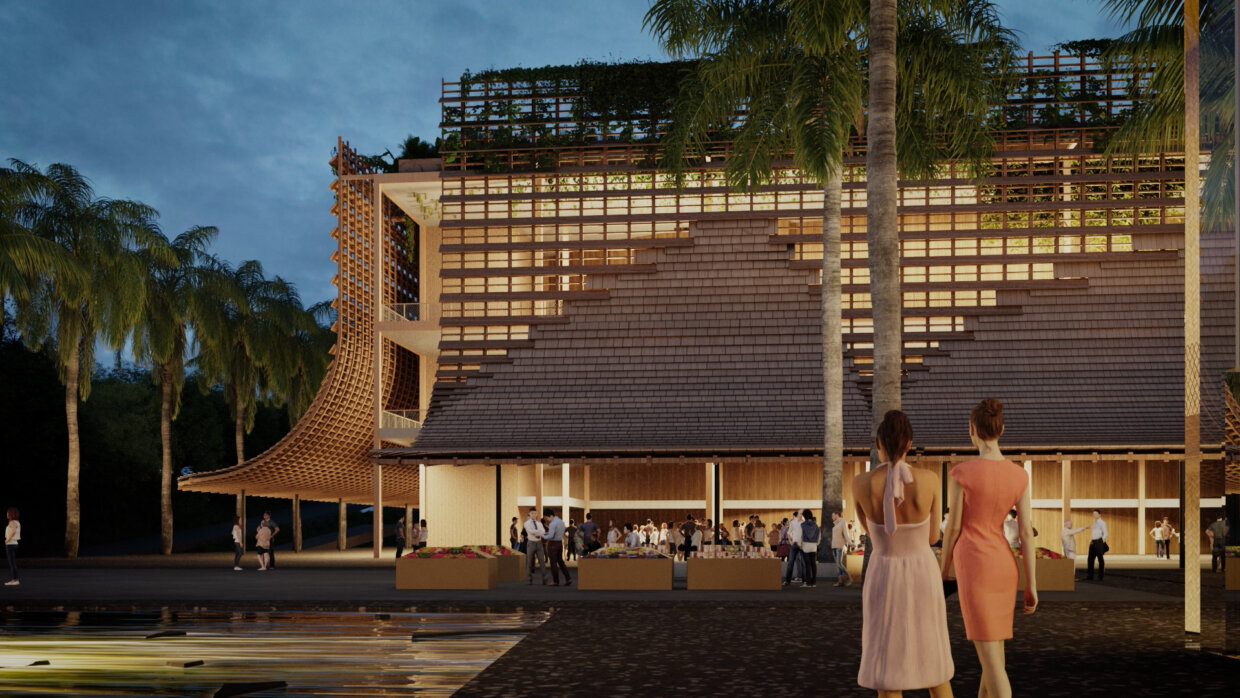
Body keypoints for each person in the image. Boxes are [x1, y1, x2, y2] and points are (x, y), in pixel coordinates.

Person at [940, 398, 1036, 698]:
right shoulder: (1020, 475)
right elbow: (1026, 533)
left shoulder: (961, 473)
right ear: (1001, 430)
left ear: (972, 430)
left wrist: (943, 569)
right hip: (1005, 566)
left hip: (974, 564)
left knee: (993, 666)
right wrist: (1031, 584)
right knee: (994, 655)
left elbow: (953, 527)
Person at [854, 410, 953, 695]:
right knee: (934, 662)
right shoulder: (931, 480)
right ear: (909, 443)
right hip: (922, 571)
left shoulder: (860, 483)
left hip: (883, 571)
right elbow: (934, 536)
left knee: (887, 667)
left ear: (878, 443)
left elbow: (871, 532)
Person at [543, 507, 571, 586]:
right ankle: (568, 578)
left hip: (552, 544)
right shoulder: (561, 522)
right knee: (561, 562)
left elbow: (550, 536)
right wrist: (548, 533)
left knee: (553, 563)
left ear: (550, 515)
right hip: (559, 543)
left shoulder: (552, 524)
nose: (547, 520)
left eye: (546, 517)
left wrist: (543, 535)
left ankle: (556, 581)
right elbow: (557, 533)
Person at [523, 508, 550, 584]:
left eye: (535, 513)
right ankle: (529, 580)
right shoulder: (526, 523)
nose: (534, 515)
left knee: (542, 562)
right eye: (532, 513)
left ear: (537, 514)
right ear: (529, 514)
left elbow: (543, 532)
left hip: (539, 543)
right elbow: (531, 532)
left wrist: (537, 532)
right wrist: (539, 532)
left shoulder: (539, 523)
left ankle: (545, 579)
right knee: (529, 562)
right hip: (531, 543)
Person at [782, 510, 804, 586]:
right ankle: (787, 581)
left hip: (802, 545)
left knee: (803, 562)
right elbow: (788, 533)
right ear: (797, 514)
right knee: (790, 562)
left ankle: (804, 580)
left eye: (802, 514)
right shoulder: (793, 522)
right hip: (794, 544)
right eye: (799, 513)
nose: (800, 515)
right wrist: (791, 542)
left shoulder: (804, 523)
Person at [799, 511, 820, 588]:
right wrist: (816, 544)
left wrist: (800, 544)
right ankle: (814, 582)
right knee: (813, 564)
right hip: (814, 545)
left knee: (807, 565)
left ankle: (808, 583)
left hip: (806, 545)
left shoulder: (802, 525)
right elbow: (819, 536)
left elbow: (800, 535)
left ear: (805, 516)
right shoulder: (815, 525)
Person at [830, 510, 851, 587]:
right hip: (834, 546)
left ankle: (849, 577)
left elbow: (846, 534)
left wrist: (850, 543)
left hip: (839, 546)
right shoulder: (836, 524)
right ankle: (840, 581)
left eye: (833, 515)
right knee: (837, 564)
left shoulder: (843, 522)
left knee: (839, 563)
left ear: (837, 514)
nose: (832, 517)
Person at [1086, 509, 1108, 581]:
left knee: (1100, 560)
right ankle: (1090, 576)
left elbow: (1105, 533)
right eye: (1093, 514)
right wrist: (1091, 541)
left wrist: (1101, 542)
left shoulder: (1102, 523)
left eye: (1095, 514)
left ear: (1099, 515)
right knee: (1090, 560)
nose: (1094, 515)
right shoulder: (1094, 523)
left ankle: (1100, 577)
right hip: (1093, 543)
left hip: (1099, 542)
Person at [4, 508, 20, 586]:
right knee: (12, 563)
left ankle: (15, 580)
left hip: (10, 544)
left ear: (10, 514)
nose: (6, 514)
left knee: (12, 563)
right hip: (14, 543)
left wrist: (7, 539)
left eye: (7, 513)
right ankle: (15, 579)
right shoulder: (17, 522)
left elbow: (13, 531)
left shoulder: (12, 522)